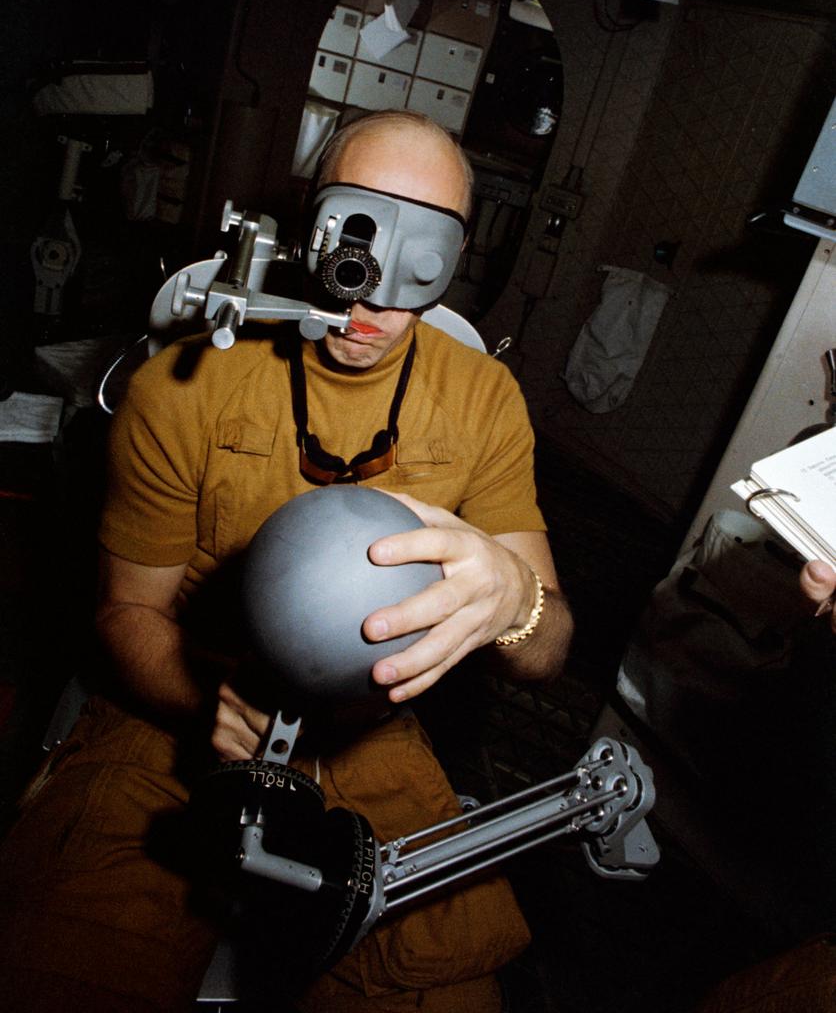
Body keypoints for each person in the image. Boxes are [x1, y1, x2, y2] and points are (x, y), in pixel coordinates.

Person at [0, 109, 573, 1012]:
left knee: (440, 981)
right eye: (359, 228)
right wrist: (206, 700)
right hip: (176, 718)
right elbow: (123, 615)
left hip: (368, 731)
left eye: (420, 249)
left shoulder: (484, 400)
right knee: (70, 959)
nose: (373, 294)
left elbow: (550, 653)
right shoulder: (182, 387)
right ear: (310, 225)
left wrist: (514, 602)